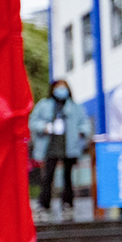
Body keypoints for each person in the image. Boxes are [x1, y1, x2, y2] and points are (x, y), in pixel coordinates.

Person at [29, 79, 92, 219]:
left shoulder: (75, 107)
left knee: (67, 177)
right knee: (48, 177)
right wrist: (44, 127)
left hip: (69, 145)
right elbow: (33, 121)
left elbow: (85, 123)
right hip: (50, 145)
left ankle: (68, 205)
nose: (61, 90)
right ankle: (44, 205)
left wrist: (81, 132)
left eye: (64, 88)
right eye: (58, 88)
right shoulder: (44, 105)